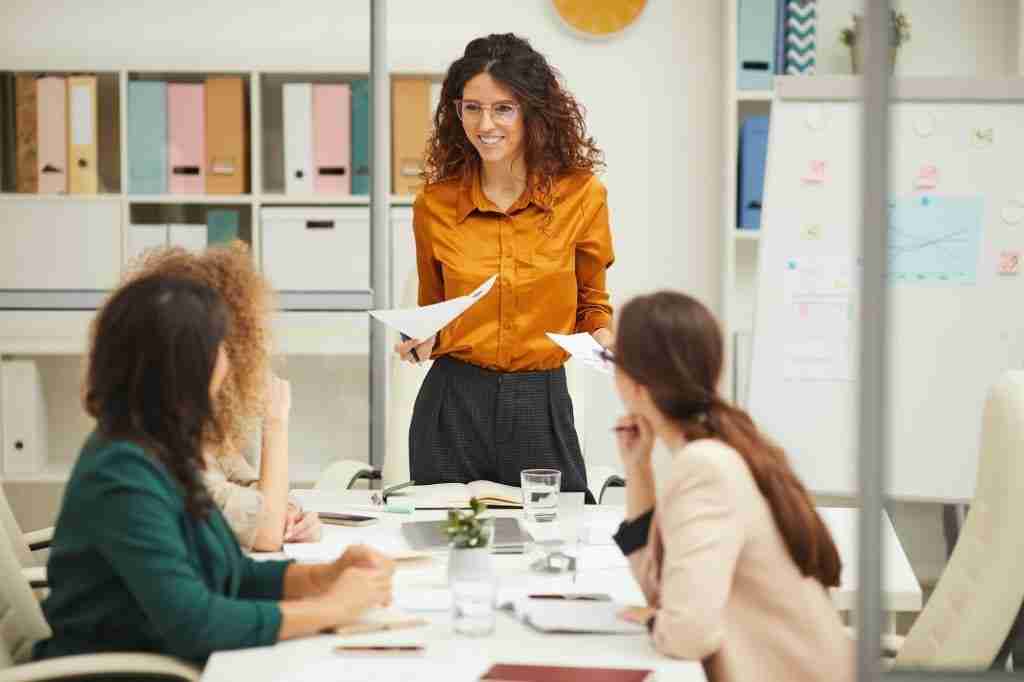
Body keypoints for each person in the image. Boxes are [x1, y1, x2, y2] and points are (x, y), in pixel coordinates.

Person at [33, 274, 394, 664]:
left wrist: (326, 576)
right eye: (218, 346)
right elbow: (196, 624)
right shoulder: (122, 473)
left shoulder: (164, 449)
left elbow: (232, 574)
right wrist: (333, 610)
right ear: (185, 366)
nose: (228, 361)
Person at [395, 33, 614, 499]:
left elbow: (592, 306)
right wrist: (418, 341)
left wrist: (612, 347)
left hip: (540, 402)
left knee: (558, 546)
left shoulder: (582, 195)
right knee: (448, 549)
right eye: (471, 107)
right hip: (452, 405)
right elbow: (433, 313)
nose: (485, 124)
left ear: (532, 112)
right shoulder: (434, 204)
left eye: (502, 108)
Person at [608, 291, 853, 682]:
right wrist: (638, 471)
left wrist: (656, 621)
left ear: (636, 384)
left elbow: (687, 635)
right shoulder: (720, 447)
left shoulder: (705, 467)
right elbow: (665, 592)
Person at [128, 243, 320, 551]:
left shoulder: (194, 426)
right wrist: (275, 421)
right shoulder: (159, 447)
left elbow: (255, 496)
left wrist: (292, 513)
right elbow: (266, 533)